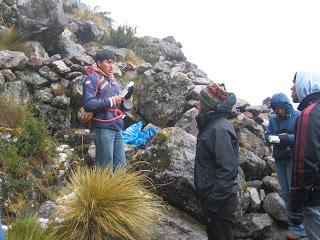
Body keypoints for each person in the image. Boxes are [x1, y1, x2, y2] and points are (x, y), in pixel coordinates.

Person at [194, 83, 239, 240]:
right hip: (215, 200)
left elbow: (228, 170)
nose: (196, 104)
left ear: (208, 106)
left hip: (220, 204)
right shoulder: (211, 125)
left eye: (200, 102)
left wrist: (213, 202)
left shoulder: (219, 129)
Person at [265, 93, 306, 239]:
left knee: (295, 193)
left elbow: (302, 136)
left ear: (286, 106)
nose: (278, 112)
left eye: (280, 108)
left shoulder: (298, 116)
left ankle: (301, 227)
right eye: (276, 109)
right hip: (279, 159)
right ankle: (292, 225)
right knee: (286, 194)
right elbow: (267, 135)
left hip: (293, 160)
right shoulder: (273, 119)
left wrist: (284, 138)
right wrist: (272, 138)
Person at [83, 49, 126, 170]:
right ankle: (104, 189)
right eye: (108, 62)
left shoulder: (114, 81)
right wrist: (112, 100)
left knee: (121, 166)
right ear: (99, 62)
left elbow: (119, 107)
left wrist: (125, 101)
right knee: (105, 167)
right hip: (103, 127)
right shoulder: (92, 78)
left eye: (113, 63)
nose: (112, 66)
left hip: (117, 126)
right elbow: (88, 104)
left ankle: (119, 189)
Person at [289, 72, 320, 240]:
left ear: (305, 85)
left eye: (294, 83)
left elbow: (304, 163)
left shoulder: (309, 114)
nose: (292, 87)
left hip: (315, 198)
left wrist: (296, 205)